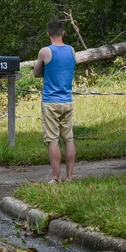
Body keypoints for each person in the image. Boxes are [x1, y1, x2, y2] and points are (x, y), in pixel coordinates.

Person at [33, 19, 78, 184]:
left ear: (48, 34)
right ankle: (70, 177)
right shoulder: (72, 50)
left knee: (53, 139)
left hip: (51, 101)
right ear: (63, 33)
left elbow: (36, 72)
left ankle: (56, 177)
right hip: (67, 100)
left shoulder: (45, 52)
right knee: (69, 139)